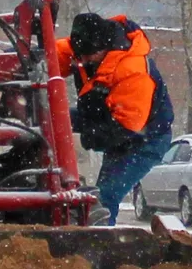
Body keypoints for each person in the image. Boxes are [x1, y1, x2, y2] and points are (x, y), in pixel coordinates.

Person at [58, 12, 175, 225]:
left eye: (88, 56)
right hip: (106, 121)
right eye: (79, 55)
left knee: (105, 196)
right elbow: (51, 55)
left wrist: (85, 138)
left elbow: (126, 126)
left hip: (142, 141)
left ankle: (97, 245)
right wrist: (12, 57)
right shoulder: (87, 46)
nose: (82, 62)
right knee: (56, 116)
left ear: (103, 49)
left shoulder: (132, 72)